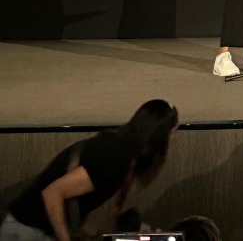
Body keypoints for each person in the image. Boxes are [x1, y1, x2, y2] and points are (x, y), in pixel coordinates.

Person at [1, 99, 178, 241]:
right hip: (27, 231)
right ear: (158, 135)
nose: (172, 140)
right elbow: (52, 193)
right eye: (171, 133)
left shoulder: (122, 151)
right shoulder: (115, 156)